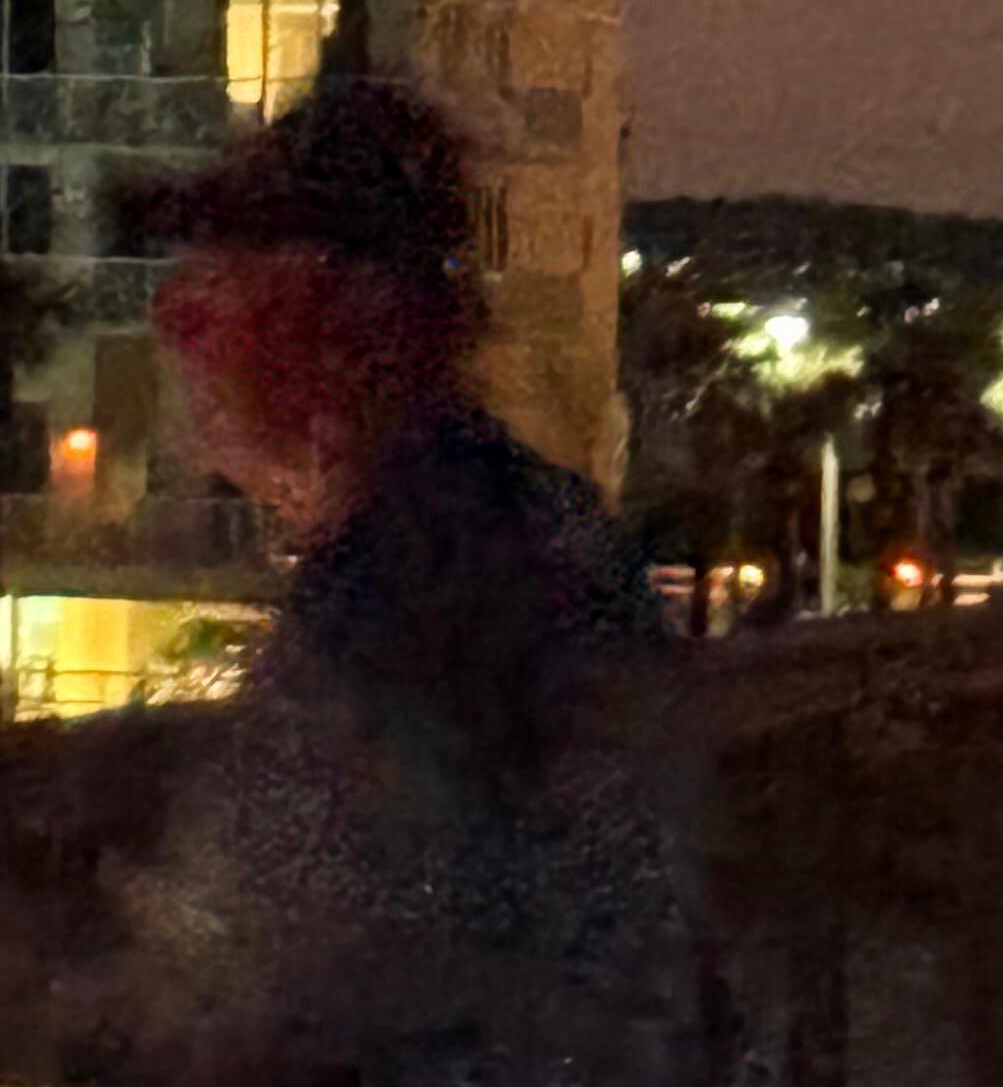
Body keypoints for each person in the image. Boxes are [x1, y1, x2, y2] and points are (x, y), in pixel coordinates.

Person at [99, 76, 712, 1085]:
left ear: (335, 317)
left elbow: (325, 976)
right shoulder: (508, 528)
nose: (178, 322)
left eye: (225, 278)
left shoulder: (412, 595)